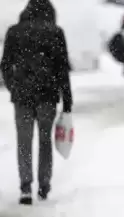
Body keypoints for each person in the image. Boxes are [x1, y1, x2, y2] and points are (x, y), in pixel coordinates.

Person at [0, 0, 73, 205]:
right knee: (44, 140)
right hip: (47, 95)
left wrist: (13, 85)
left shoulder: (14, 32)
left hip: (22, 95)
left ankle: (25, 187)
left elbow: (5, 64)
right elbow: (62, 69)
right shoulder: (55, 32)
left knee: (24, 141)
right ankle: (43, 185)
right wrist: (67, 101)